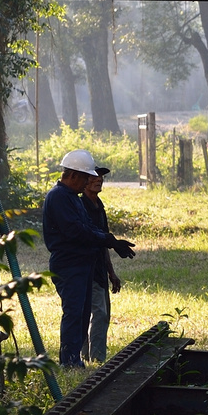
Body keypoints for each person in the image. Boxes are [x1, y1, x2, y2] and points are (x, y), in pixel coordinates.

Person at [42, 150, 135, 368]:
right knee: (74, 313)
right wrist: (108, 240)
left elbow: (89, 227)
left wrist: (110, 241)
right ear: (73, 175)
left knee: (83, 314)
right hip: (69, 264)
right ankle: (70, 361)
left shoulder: (72, 198)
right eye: (85, 177)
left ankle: (75, 359)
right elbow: (76, 231)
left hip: (82, 264)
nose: (87, 182)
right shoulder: (59, 197)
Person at [81, 171, 124, 363]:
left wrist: (111, 273)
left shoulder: (99, 207)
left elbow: (104, 241)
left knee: (102, 313)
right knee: (98, 313)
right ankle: (95, 360)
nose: (98, 180)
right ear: (84, 181)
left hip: (99, 269)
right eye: (93, 177)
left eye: (101, 177)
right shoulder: (81, 206)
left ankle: (89, 357)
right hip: (84, 268)